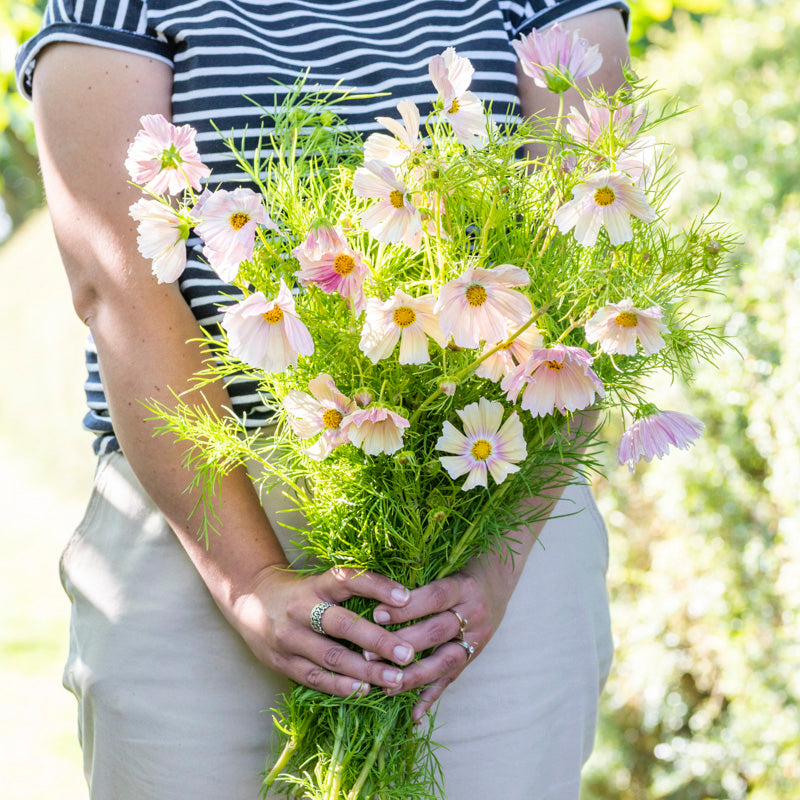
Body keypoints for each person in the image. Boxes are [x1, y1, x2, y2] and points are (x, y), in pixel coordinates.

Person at [17, 2, 630, 798]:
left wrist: (491, 574)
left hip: (495, 512)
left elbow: (589, 270)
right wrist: (250, 582)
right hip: (206, 501)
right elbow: (118, 287)